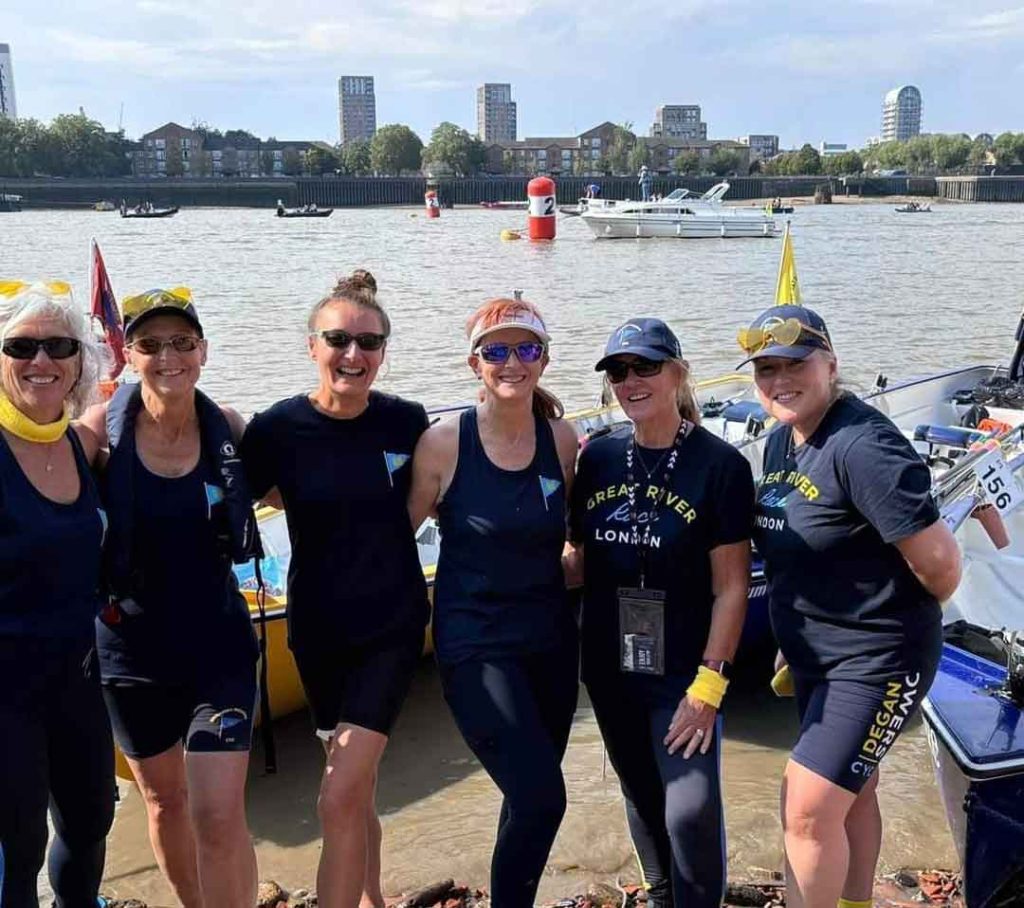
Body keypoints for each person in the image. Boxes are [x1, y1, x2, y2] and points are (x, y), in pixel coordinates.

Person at [737, 304, 962, 908]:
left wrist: (883, 627)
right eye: (765, 369)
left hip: (877, 659)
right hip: (817, 658)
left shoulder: (864, 446)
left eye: (795, 363)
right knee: (852, 794)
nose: (780, 380)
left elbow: (940, 564)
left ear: (830, 364)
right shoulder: (784, 440)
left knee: (805, 811)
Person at [240, 270, 430, 908]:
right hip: (316, 629)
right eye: (339, 339)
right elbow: (249, 489)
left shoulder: (407, 422)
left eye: (369, 343)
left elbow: (445, 488)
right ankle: (372, 897)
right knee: (354, 786)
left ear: (383, 352)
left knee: (336, 794)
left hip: (391, 624)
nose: (355, 355)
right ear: (311, 345)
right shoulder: (276, 427)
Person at [79, 288, 261, 908]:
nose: (169, 357)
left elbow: (309, 488)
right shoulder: (98, 434)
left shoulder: (230, 430)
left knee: (216, 812)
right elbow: (31, 470)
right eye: (151, 345)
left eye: (182, 343)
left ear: (203, 352)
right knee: (163, 801)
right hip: (129, 655)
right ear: (127, 355)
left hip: (219, 651)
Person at [564, 318, 753, 908]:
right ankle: (661, 894)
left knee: (690, 808)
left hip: (684, 670)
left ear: (678, 373)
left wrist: (710, 683)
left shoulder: (719, 465)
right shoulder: (596, 458)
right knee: (640, 791)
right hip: (609, 662)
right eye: (618, 371)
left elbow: (733, 586)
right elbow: (576, 558)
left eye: (645, 367)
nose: (631, 381)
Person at [408, 298, 579, 907]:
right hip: (475, 644)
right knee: (543, 797)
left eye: (527, 349)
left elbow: (577, 537)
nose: (513, 362)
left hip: (552, 644)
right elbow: (394, 546)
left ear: (545, 359)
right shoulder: (444, 443)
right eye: (497, 351)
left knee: (525, 796)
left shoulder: (562, 438)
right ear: (474, 363)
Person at [0, 280, 115, 906]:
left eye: (58, 346)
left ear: (78, 363)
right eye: (21, 347)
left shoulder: (79, 442)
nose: (40, 361)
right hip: (4, 692)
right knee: (13, 843)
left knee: (91, 819)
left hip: (76, 678)